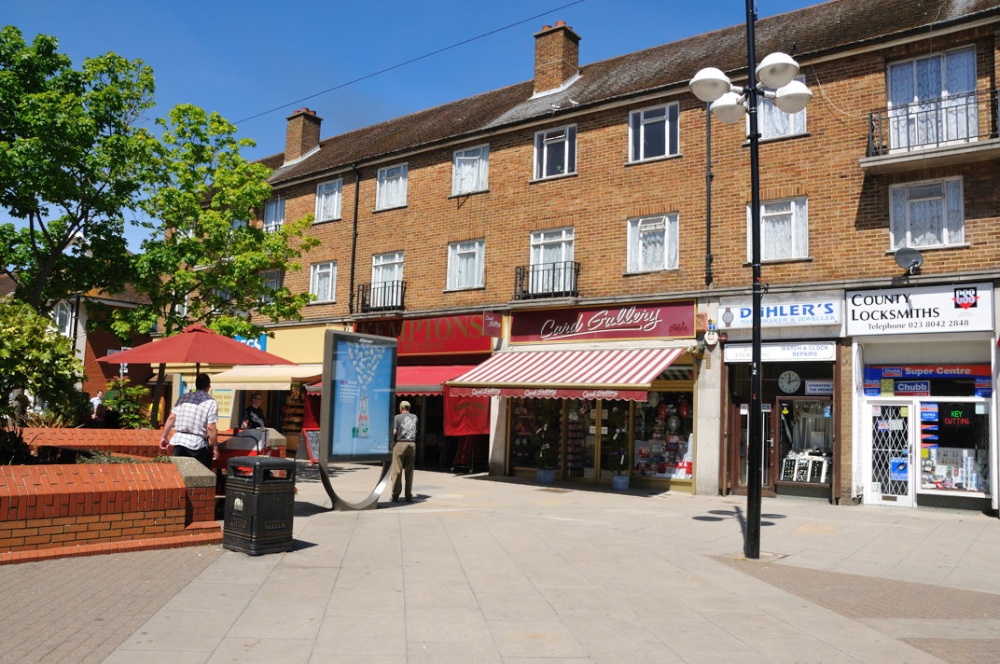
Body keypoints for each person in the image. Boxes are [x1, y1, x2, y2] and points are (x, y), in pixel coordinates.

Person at [159, 373, 219, 468]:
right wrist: (215, 447)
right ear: (208, 386)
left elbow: (172, 417)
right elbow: (210, 427)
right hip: (197, 443)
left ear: (196, 385)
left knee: (178, 474)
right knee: (198, 476)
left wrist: (164, 436)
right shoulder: (211, 402)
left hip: (179, 440)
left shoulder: (184, 397)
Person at [390, 400, 418, 503]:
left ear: (401, 408)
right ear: (409, 408)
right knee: (409, 471)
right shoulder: (415, 417)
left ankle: (395, 495)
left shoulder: (397, 417)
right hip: (412, 444)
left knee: (397, 471)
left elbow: (394, 431)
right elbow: (415, 430)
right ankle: (408, 495)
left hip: (400, 444)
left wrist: (392, 441)